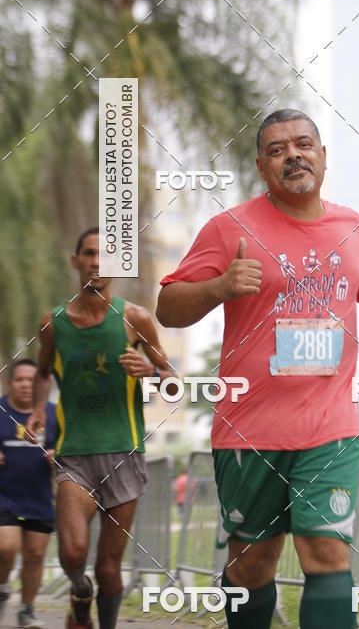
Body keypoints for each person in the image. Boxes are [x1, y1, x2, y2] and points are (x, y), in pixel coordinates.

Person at [156, 108, 359, 629]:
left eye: (302, 145)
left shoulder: (353, 228)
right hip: (250, 431)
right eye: (277, 149)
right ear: (260, 166)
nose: (292, 155)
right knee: (252, 565)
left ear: (322, 156)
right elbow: (168, 308)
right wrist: (220, 288)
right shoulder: (230, 229)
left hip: (330, 427)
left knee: (327, 553)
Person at [26, 227, 175, 629]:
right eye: (89, 254)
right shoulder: (53, 324)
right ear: (75, 262)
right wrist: (39, 407)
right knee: (73, 555)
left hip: (124, 452)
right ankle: (80, 590)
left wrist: (152, 370)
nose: (97, 262)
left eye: (106, 256)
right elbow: (41, 373)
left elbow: (173, 381)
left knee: (110, 567)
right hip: (74, 454)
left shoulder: (135, 319)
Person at [0, 359, 57, 628]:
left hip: (40, 496)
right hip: (4, 496)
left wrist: (56, 457)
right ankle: (2, 589)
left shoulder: (54, 414)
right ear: (9, 383)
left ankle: (27, 610)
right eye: (20, 379)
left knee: (35, 555)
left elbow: (68, 453)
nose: (26, 385)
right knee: (5, 546)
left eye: (31, 380)